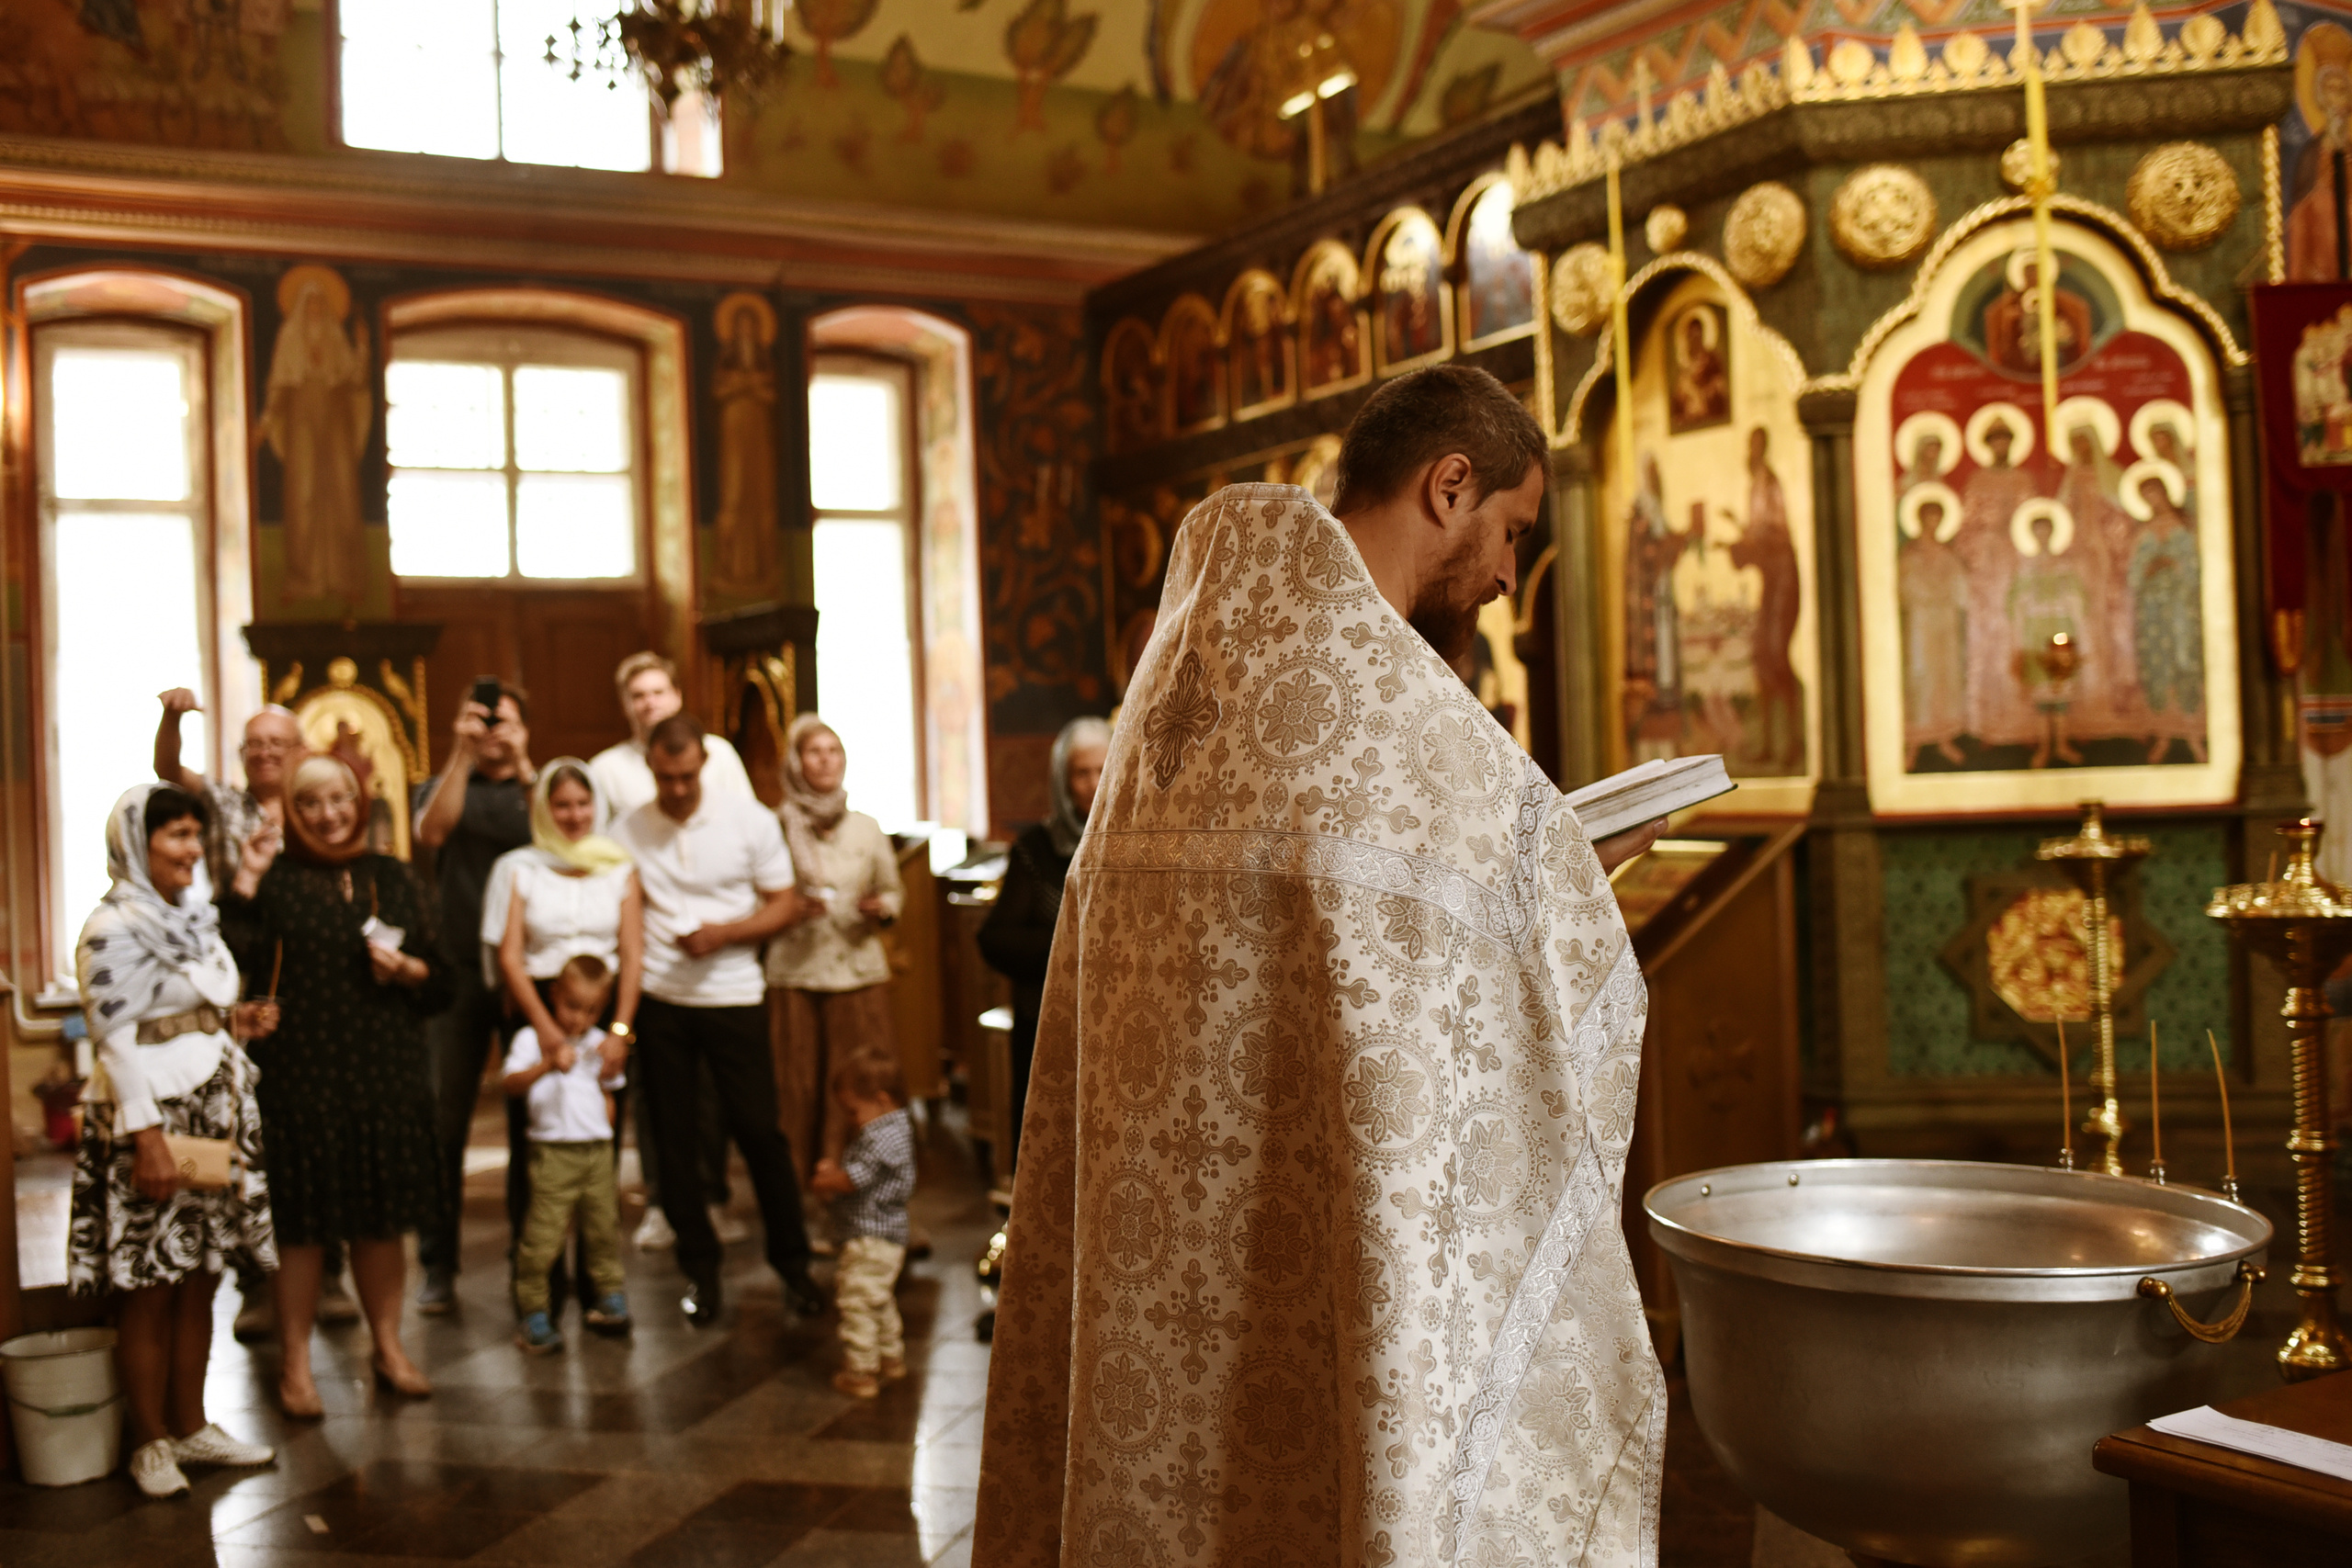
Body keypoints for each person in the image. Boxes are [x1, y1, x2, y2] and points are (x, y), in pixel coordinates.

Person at [974, 364, 1668, 1568]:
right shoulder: (1384, 705)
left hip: (1159, 1271)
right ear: (1450, 484)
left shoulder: (1199, 662)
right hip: (1325, 1251)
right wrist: (1574, 886)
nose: (1508, 577)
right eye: (1510, 532)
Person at [223, 756, 452, 1416]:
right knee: (302, 1229)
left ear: (361, 800)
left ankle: (389, 1346)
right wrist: (245, 877)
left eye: (339, 798)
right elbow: (229, 955)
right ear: (292, 810)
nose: (329, 813)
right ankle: (295, 1365)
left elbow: (444, 982)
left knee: (382, 1222)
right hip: (303, 1077)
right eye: (312, 802)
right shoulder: (276, 880)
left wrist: (406, 967)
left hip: (387, 1074)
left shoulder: (393, 875)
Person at [70, 784, 279, 1498]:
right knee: (150, 1280)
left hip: (209, 1105)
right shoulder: (111, 928)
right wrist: (148, 1136)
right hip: (152, 1116)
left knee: (201, 1272)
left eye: (196, 835)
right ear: (136, 843)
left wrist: (233, 1022)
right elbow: (115, 1040)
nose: (192, 850)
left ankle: (191, 1424)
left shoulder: (189, 917)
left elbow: (196, 1002)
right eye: (176, 838)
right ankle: (149, 1439)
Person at [152, 689, 360, 1335]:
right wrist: (173, 718)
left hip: (315, 995)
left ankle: (328, 1273)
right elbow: (167, 770)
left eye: (278, 743)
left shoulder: (322, 811)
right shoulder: (222, 803)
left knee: (325, 1134)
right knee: (247, 1134)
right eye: (254, 745)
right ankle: (257, 1283)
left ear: (302, 751)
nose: (265, 753)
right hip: (239, 995)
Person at [610, 713, 825, 1325]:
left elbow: (784, 903)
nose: (676, 788)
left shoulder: (748, 818)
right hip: (661, 1000)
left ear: (702, 762)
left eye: (685, 775)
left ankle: (794, 1265)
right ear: (650, 766)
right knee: (675, 1143)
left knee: (760, 1130)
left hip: (733, 993)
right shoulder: (629, 828)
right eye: (664, 776)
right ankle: (699, 1272)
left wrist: (725, 934)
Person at [588, 651, 752, 1251]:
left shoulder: (723, 756)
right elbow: (601, 854)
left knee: (715, 1091)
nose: (648, 702)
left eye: (658, 691)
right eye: (637, 695)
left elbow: (747, 831)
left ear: (677, 695)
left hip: (723, 951)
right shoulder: (607, 768)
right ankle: (661, 1199)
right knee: (660, 1092)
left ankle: (714, 1194)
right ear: (625, 704)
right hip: (651, 953)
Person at [482, 758, 641, 1309]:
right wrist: (547, 1031)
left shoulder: (619, 866)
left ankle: (602, 1286)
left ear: (596, 806)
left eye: (582, 803)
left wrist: (619, 1030)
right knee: (536, 1153)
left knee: (600, 1148)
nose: (574, 815)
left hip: (601, 1013)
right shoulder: (520, 868)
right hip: (538, 1007)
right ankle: (539, 1290)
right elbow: (508, 956)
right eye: (562, 805)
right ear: (545, 809)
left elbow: (633, 955)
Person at [412, 683, 535, 1314]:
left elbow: (559, 831)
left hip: (526, 976)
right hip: (459, 971)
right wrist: (462, 750)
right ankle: (439, 1265)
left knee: (529, 1121)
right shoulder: (447, 783)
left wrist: (523, 755)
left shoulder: (534, 786)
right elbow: (432, 832)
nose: (490, 729)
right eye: (481, 720)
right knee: (444, 1121)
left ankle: (528, 1258)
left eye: (501, 720)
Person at [766, 715, 904, 1189]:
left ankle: (862, 1194)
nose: (825, 760)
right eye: (814, 751)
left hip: (856, 970)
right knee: (799, 1084)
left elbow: (893, 891)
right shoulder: (776, 827)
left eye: (834, 751)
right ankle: (800, 1194)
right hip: (796, 971)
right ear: (795, 762)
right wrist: (788, 909)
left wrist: (880, 908)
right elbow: (758, 896)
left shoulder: (866, 827)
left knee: (858, 1082)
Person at [976, 715, 1107, 1172]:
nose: (1093, 783)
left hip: (1115, 1026)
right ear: (1062, 780)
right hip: (1047, 1023)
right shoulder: (1035, 849)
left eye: (1102, 770)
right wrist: (1072, 946)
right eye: (1081, 773)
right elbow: (994, 938)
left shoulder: (1131, 843)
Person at [503, 954, 632, 1354]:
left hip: (595, 1153)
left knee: (603, 1228)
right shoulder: (531, 1039)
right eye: (572, 1006)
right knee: (542, 1236)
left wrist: (606, 1126)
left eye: (591, 1010)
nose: (579, 1018)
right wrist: (546, 1064)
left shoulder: (598, 1042)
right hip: (553, 1153)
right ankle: (533, 1311)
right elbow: (510, 1084)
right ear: (555, 995)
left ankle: (609, 1295)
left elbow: (609, 1093)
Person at [808, 1049, 916, 1399]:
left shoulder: (882, 1134)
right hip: (884, 1236)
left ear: (882, 1100)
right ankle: (889, 1358)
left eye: (854, 1111)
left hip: (870, 1235)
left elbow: (855, 1179)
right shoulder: (897, 1128)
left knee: (856, 1301)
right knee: (878, 1299)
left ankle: (861, 1370)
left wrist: (827, 1179)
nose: (852, 1120)